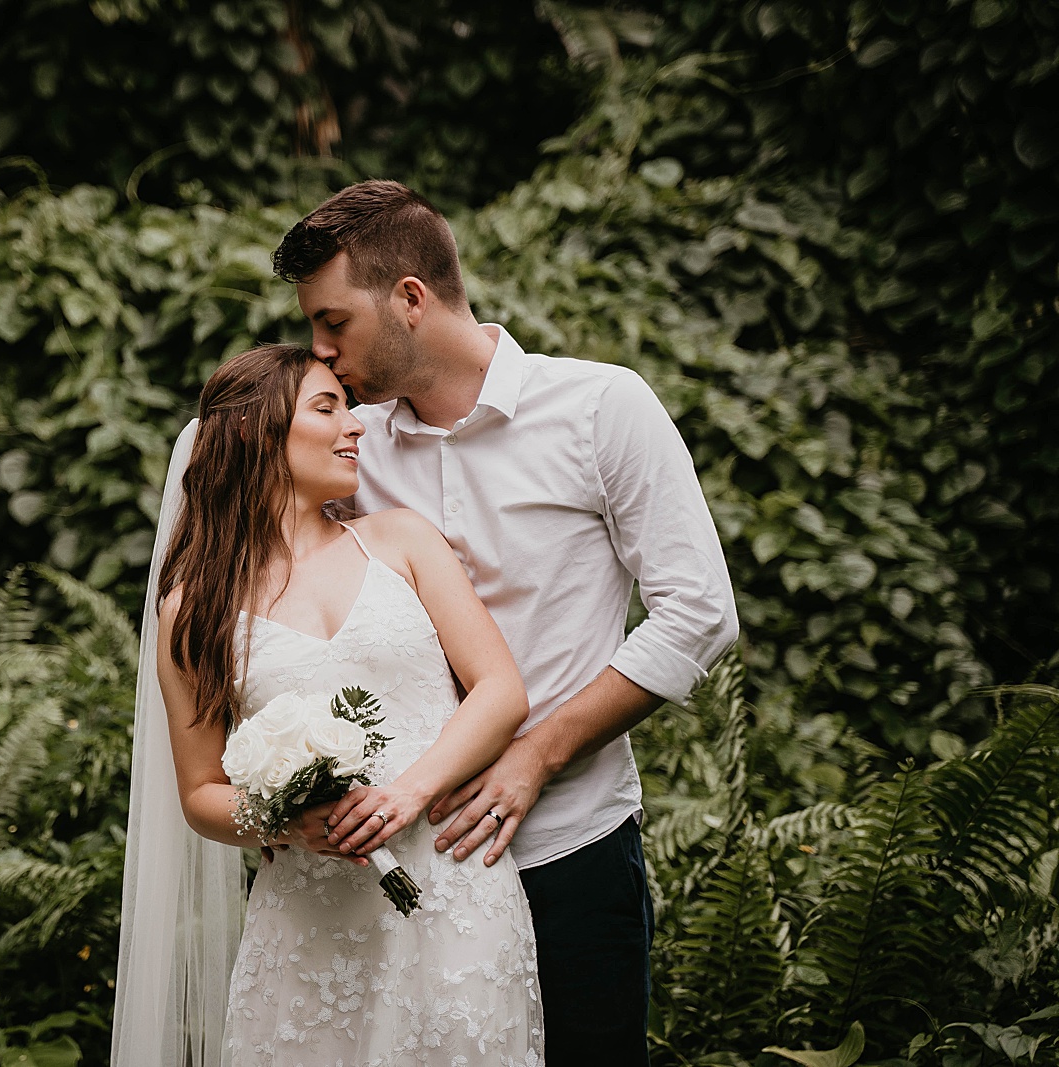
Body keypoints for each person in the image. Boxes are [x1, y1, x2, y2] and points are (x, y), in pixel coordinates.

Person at [267, 180, 740, 1066]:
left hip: (575, 848)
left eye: (335, 323)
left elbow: (700, 613)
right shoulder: (347, 448)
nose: (322, 353)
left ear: (410, 298)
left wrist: (536, 752)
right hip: (406, 866)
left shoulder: (603, 408)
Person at [112, 343, 547, 1066]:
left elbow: (501, 690)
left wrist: (408, 793)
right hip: (308, 920)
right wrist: (284, 815)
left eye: (348, 407)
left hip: (453, 893)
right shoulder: (194, 610)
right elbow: (198, 793)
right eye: (327, 407)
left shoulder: (400, 540)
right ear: (255, 431)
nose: (356, 427)